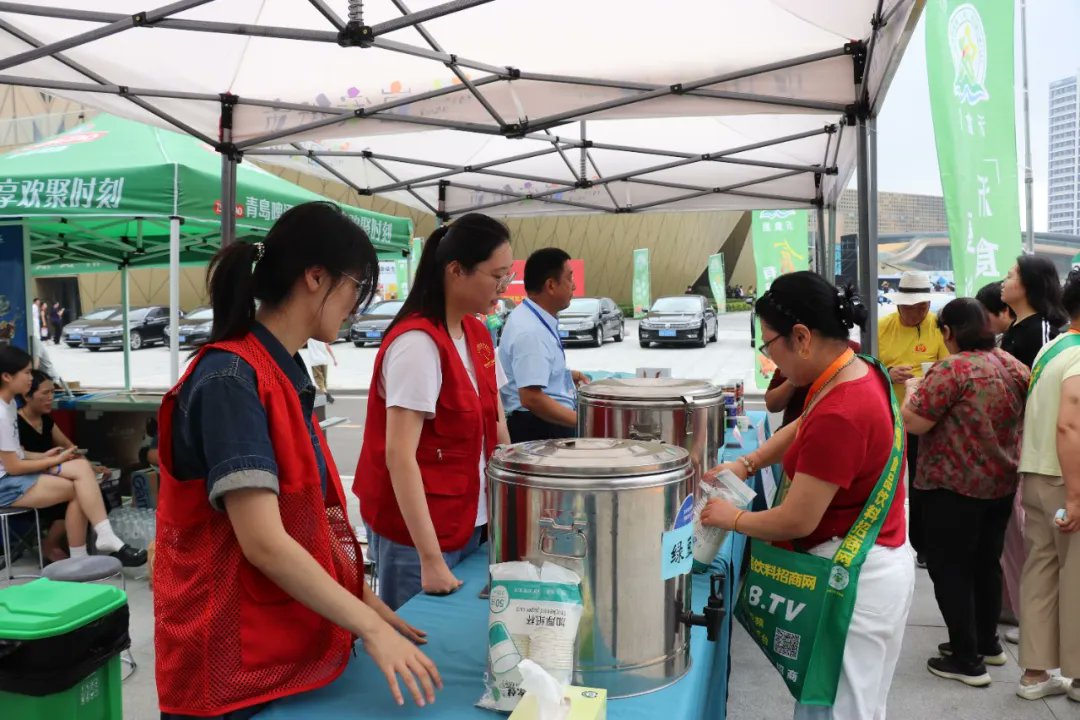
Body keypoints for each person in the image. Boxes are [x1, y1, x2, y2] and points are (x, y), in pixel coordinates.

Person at [155, 202, 439, 719]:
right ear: (315, 277)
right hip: (228, 657)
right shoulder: (231, 380)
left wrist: (366, 606)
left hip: (281, 642)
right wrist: (370, 628)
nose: (355, 306)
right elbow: (264, 541)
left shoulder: (281, 369)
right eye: (356, 287)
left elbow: (303, 521)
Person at [701, 272, 913, 719]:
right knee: (857, 704)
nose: (768, 356)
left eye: (768, 344)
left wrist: (729, 518)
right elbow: (805, 422)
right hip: (874, 560)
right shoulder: (857, 367)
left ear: (800, 337)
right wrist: (749, 463)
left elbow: (798, 520)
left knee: (835, 709)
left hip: (853, 584)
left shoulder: (843, 411)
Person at [354, 213, 512, 612]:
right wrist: (429, 558)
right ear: (456, 271)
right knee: (416, 642)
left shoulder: (477, 334)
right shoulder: (418, 345)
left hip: (471, 522)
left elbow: (497, 420)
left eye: (507, 276)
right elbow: (399, 455)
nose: (503, 287)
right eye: (496, 276)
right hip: (418, 537)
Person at [901, 299, 1029, 687]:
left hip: (952, 487)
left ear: (949, 332)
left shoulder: (951, 368)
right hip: (1001, 483)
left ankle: (966, 658)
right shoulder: (1011, 364)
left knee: (949, 568)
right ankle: (987, 644)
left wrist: (911, 391)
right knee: (985, 565)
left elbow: (915, 422)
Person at [0, 346, 145, 566]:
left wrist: (43, 456)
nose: (31, 377)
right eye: (27, 372)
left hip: (14, 475)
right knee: (80, 486)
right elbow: (13, 468)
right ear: (7, 376)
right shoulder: (2, 412)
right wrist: (53, 461)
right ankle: (85, 552)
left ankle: (91, 547)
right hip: (6, 485)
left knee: (80, 469)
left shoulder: (8, 404)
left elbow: (17, 454)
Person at [1013, 267, 1080, 703]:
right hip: (1066, 479)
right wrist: (1076, 495)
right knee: (1076, 575)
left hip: (1035, 474)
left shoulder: (1052, 347)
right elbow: (1070, 425)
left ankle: (1035, 674)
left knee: (1039, 570)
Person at [877, 270, 949, 568]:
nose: (917, 312)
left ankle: (923, 544)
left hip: (923, 416)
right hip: (885, 414)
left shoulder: (937, 327)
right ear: (898, 305)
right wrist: (888, 373)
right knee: (885, 477)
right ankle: (879, 537)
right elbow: (865, 365)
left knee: (922, 481)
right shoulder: (882, 327)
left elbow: (948, 366)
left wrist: (928, 375)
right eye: (911, 307)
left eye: (922, 307)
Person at [18, 370, 110, 562]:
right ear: (27, 395)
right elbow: (18, 460)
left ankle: (79, 549)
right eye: (45, 393)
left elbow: (71, 448)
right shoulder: (13, 423)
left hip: (50, 472)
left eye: (52, 392)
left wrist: (92, 468)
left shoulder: (47, 421)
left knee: (95, 491)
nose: (50, 398)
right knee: (75, 492)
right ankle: (50, 544)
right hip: (29, 479)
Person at [499, 248, 587, 442]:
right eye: (570, 278)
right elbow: (532, 398)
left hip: (544, 420)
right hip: (539, 426)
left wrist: (567, 375)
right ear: (551, 285)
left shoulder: (533, 317)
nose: (574, 286)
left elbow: (529, 370)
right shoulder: (531, 331)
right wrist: (586, 422)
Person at [976, 279, 1024, 629]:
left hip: (1012, 457)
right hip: (1013, 456)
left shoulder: (1026, 339)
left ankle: (1021, 612)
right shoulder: (1014, 340)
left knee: (1015, 538)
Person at [765, 338, 861, 428]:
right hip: (795, 434)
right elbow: (772, 405)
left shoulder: (853, 351)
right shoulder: (794, 351)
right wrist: (794, 377)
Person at [1001, 255, 1067, 369]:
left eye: (1009, 276)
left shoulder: (1041, 331)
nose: (1003, 282)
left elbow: (1042, 377)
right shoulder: (1014, 327)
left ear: (1029, 283)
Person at [306, 338, 337, 404]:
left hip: (315, 361)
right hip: (324, 360)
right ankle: (326, 396)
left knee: (319, 380)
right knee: (324, 379)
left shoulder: (310, 337)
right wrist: (334, 359)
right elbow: (327, 347)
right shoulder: (321, 336)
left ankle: (327, 394)